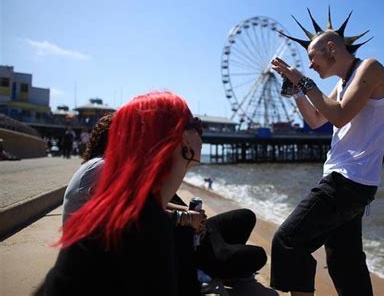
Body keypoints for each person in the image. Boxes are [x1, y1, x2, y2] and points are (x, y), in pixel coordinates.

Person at [59, 112, 266, 295]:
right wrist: (184, 218)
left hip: (162, 238)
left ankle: (215, 252)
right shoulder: (101, 168)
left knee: (245, 216)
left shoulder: (108, 167)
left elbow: (145, 204)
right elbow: (131, 215)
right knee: (256, 256)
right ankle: (209, 264)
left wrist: (188, 213)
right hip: (136, 249)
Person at [270, 8, 384, 296]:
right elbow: (316, 120)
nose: (310, 65)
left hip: (348, 182)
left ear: (330, 48)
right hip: (351, 183)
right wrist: (297, 91)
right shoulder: (341, 84)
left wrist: (305, 82)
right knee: (344, 264)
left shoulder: (370, 68)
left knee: (287, 242)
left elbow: (339, 116)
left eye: (312, 57)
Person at [36, 91, 203, 296]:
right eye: (197, 124)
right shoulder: (142, 225)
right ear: (183, 138)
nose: (202, 132)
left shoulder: (131, 213)